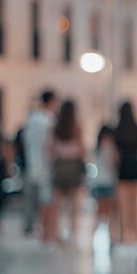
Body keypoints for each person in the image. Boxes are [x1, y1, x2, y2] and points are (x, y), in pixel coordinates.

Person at [48, 100, 86, 244]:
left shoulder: (56, 127)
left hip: (60, 164)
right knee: (74, 202)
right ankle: (72, 233)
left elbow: (50, 148)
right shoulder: (76, 127)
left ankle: (56, 233)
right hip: (74, 165)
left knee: (57, 202)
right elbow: (82, 148)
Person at [22, 90, 58, 240]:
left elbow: (24, 141)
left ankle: (38, 228)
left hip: (31, 163)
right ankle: (46, 231)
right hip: (47, 164)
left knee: (33, 199)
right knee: (47, 200)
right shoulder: (50, 120)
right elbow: (52, 144)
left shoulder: (31, 119)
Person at [114, 101, 137, 244]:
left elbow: (114, 156)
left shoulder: (116, 131)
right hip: (136, 167)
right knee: (136, 205)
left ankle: (126, 237)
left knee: (124, 205)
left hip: (123, 169)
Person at [91, 125, 119, 246]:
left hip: (99, 182)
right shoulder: (110, 147)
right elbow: (114, 162)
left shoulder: (98, 148)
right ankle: (112, 237)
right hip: (109, 182)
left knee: (99, 211)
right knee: (112, 212)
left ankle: (93, 236)